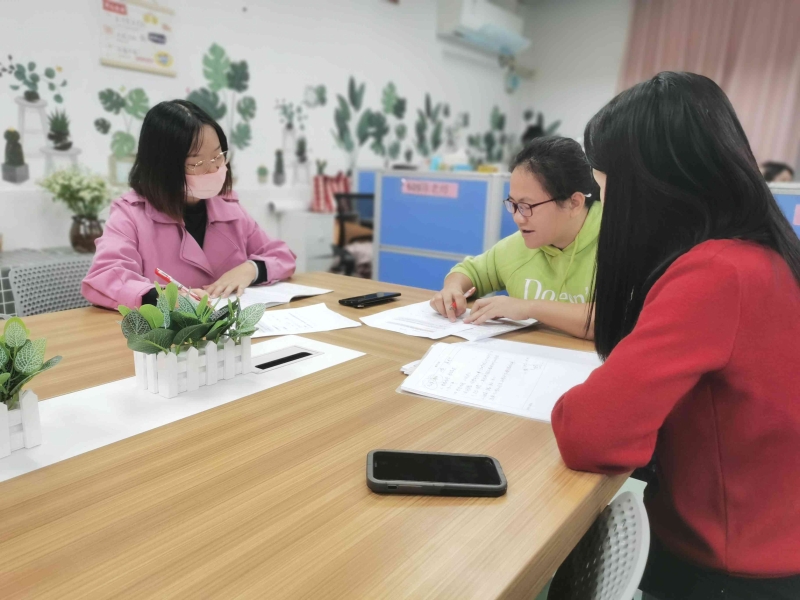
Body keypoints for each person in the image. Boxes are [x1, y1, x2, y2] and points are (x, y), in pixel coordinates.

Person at [551, 72, 800, 599]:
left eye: (606, 188)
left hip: (729, 570)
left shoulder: (717, 273)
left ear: (649, 190)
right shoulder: (769, 257)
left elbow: (590, 433)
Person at [82, 100, 295, 309]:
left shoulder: (229, 207)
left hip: (234, 325)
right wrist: (165, 298)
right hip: (167, 330)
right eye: (196, 163)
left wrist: (250, 269)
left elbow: (281, 255)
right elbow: (105, 277)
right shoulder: (130, 214)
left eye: (217, 157)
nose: (212, 169)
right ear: (162, 166)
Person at [430, 136, 601, 339]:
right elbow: (469, 271)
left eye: (527, 206)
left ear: (574, 203)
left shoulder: (619, 243)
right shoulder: (517, 246)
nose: (518, 218)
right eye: (514, 204)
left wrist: (528, 308)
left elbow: (616, 320)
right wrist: (453, 288)